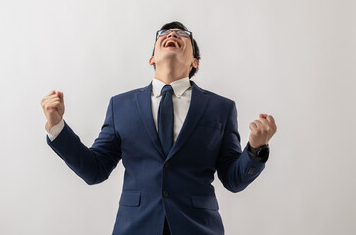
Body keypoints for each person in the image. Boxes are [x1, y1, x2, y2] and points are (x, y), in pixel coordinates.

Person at [41, 21, 277, 235]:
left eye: (182, 34)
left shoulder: (220, 108)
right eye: (163, 33)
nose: (172, 34)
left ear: (194, 61)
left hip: (198, 227)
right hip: (135, 227)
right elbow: (95, 170)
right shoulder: (120, 105)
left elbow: (232, 179)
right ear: (152, 58)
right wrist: (57, 126)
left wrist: (255, 150)